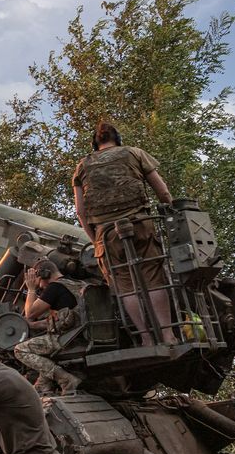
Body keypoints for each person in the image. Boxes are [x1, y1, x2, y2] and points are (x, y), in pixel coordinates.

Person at [72, 122, 176, 346]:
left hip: (106, 234)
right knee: (154, 279)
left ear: (95, 143)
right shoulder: (134, 153)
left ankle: (146, 338)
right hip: (140, 224)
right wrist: (172, 210)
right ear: (117, 139)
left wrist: (96, 240)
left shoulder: (83, 165)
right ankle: (168, 335)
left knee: (125, 286)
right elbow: (163, 191)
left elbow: (80, 212)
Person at [14, 259, 82, 394]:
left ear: (45, 274)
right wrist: (34, 326)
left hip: (70, 339)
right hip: (81, 333)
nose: (41, 288)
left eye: (39, 284)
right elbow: (67, 319)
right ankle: (42, 385)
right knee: (45, 347)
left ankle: (65, 380)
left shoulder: (54, 287)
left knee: (20, 349)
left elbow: (30, 313)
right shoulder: (76, 284)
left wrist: (31, 289)